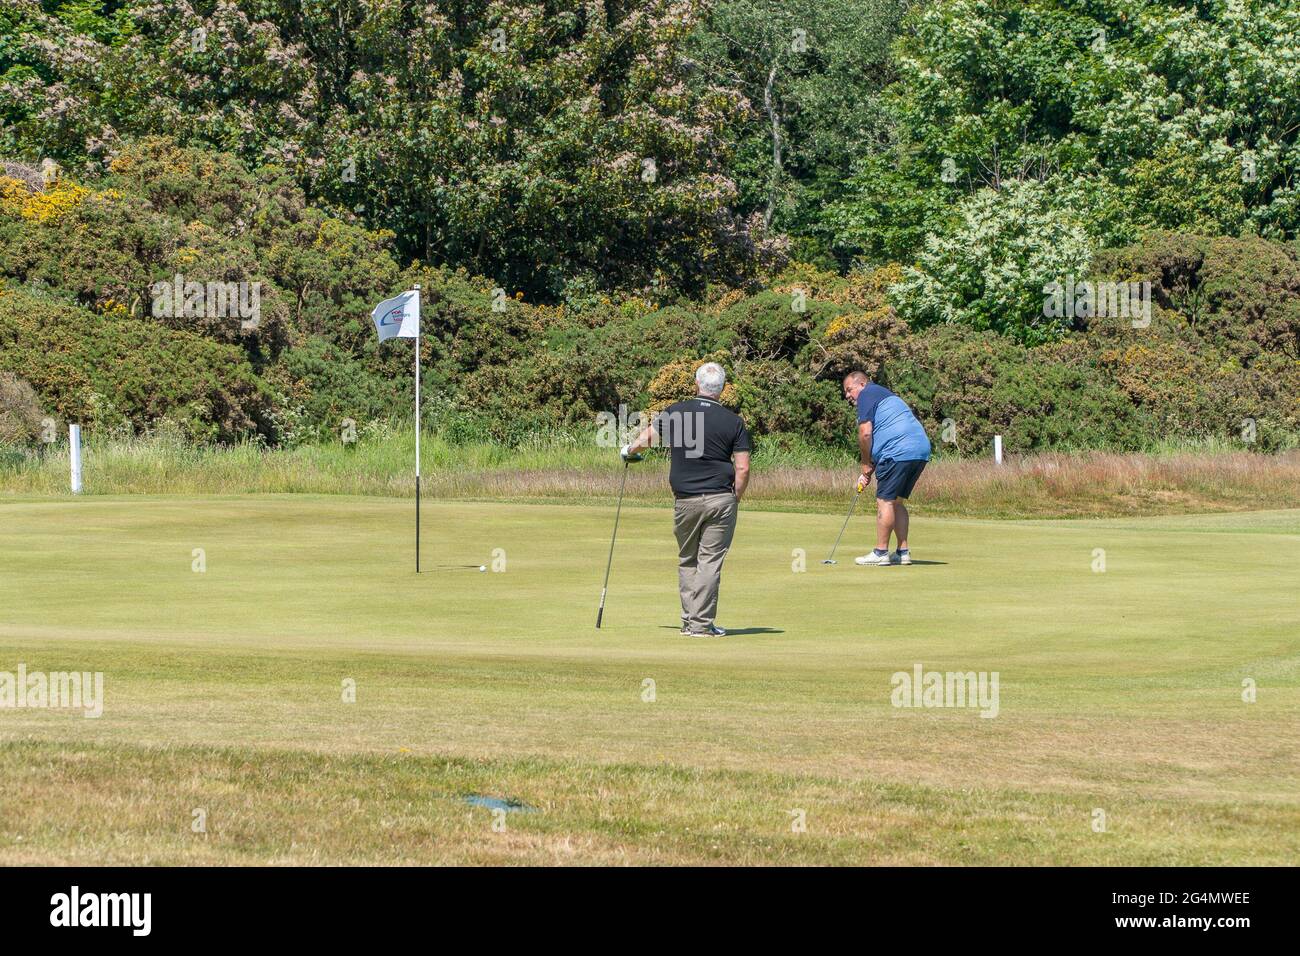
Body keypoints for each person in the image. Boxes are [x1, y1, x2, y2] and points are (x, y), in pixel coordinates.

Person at [622, 362, 751, 636]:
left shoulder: (677, 412)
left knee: (688, 560)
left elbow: (648, 438)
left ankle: (689, 622)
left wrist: (629, 450)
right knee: (710, 561)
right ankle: (701, 625)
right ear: (723, 390)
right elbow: (743, 468)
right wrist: (735, 497)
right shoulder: (734, 421)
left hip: (685, 499)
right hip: (720, 498)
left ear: (697, 385)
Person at [841, 371, 930, 566]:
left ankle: (881, 551)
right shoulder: (884, 394)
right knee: (896, 502)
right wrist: (868, 470)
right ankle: (902, 552)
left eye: (849, 390)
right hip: (919, 450)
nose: (848, 395)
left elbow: (865, 434)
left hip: (898, 451)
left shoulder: (866, 395)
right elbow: (883, 436)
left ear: (862, 384)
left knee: (885, 501)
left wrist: (865, 464)